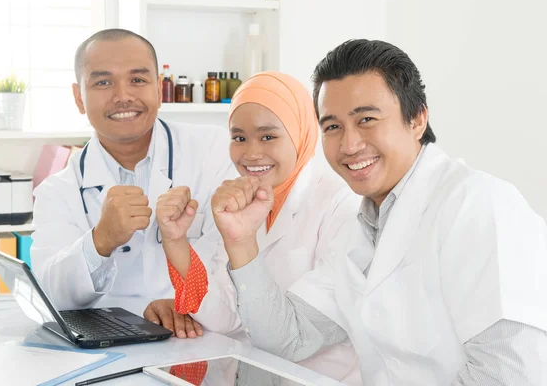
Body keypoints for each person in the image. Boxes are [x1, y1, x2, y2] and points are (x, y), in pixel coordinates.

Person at [211, 40, 547, 385]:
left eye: (367, 119)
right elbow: (288, 337)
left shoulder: (478, 204)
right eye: (332, 127)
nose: (349, 144)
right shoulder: (364, 228)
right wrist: (241, 242)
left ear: (417, 119)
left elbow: (512, 374)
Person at [146, 71, 362, 383]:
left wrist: (240, 239)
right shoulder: (244, 199)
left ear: (301, 134)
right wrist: (175, 241)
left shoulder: (343, 206)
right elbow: (227, 318)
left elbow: (289, 340)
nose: (251, 153)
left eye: (268, 136)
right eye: (239, 137)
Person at [30, 29, 237, 333]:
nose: (123, 96)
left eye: (138, 80)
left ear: (158, 88)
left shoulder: (214, 152)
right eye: (103, 82)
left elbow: (236, 264)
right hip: (107, 352)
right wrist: (101, 240)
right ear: (79, 98)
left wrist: (183, 299)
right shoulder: (57, 191)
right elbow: (52, 295)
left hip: (202, 340)